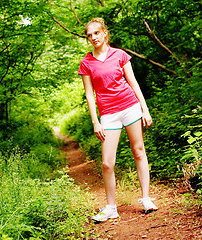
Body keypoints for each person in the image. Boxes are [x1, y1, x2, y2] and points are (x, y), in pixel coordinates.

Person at [78, 18, 158, 222]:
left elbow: (133, 83)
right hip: (108, 114)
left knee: (139, 151)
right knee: (107, 163)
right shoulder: (86, 63)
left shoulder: (120, 55)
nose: (93, 37)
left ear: (104, 33)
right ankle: (111, 207)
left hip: (130, 107)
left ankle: (146, 198)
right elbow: (89, 94)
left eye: (96, 33)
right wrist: (95, 122)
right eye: (89, 35)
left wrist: (144, 109)